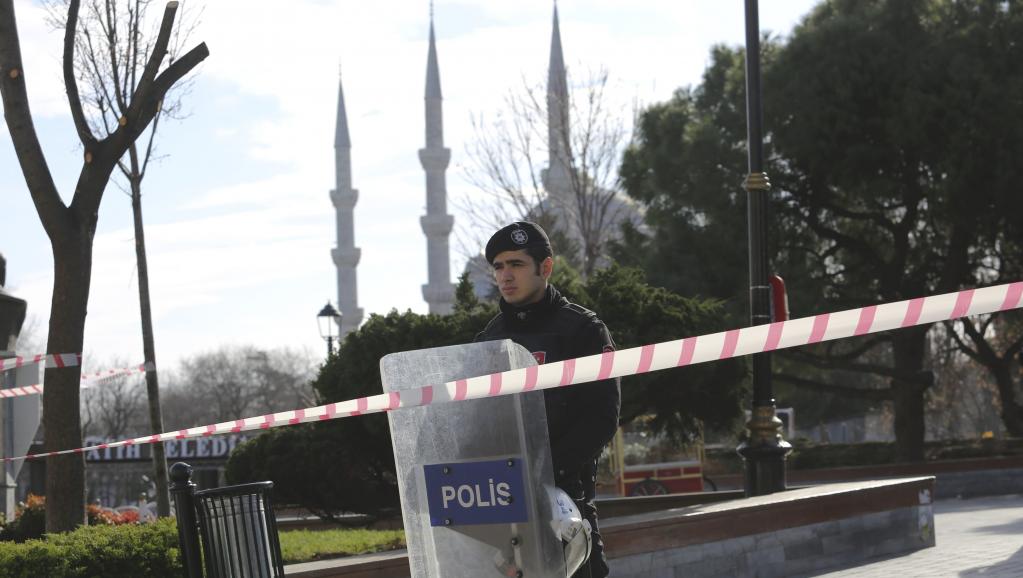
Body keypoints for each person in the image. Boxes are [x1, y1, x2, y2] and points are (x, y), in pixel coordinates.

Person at [475, 221, 620, 578]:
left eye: (517, 264)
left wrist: (542, 471)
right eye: (498, 266)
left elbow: (602, 416)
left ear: (546, 267)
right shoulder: (488, 339)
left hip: (563, 502)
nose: (505, 275)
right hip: (502, 505)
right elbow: (476, 419)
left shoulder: (583, 330)